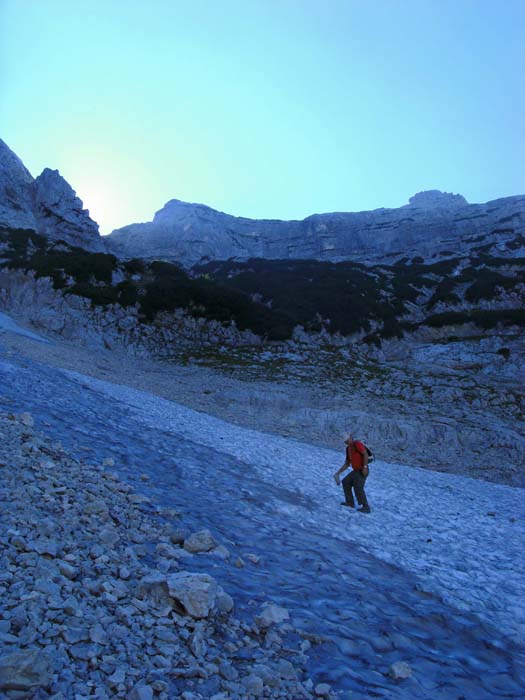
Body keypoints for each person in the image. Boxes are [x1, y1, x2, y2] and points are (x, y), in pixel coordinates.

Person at [333, 435, 371, 513]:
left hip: (362, 470)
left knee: (358, 487)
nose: (347, 442)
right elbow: (347, 463)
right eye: (345, 441)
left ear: (350, 438)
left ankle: (365, 506)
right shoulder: (348, 449)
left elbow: (365, 454)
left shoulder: (357, 444)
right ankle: (350, 502)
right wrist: (338, 473)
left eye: (347, 440)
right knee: (346, 482)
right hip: (356, 470)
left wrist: (365, 467)